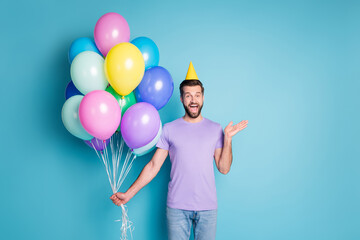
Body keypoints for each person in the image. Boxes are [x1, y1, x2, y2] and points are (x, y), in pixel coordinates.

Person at [110, 62, 248, 240]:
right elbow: (153, 165)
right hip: (177, 208)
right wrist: (128, 194)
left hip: (208, 208)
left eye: (197, 95)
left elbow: (224, 168)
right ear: (182, 99)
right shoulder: (169, 129)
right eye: (188, 96)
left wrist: (228, 138)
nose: (193, 100)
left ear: (203, 98)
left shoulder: (215, 129)